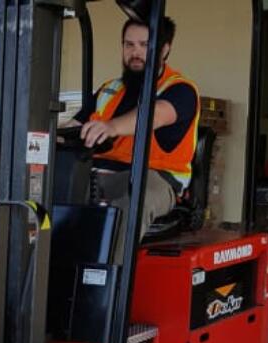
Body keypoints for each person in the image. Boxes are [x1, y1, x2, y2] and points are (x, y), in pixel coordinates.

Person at [78, 16, 200, 241]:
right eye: (129, 44)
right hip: (96, 176)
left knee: (134, 201)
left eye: (145, 45)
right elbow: (77, 125)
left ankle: (107, 272)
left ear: (164, 49)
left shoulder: (180, 90)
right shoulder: (110, 88)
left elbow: (153, 115)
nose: (135, 52)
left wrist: (112, 126)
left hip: (154, 179)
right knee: (43, 188)